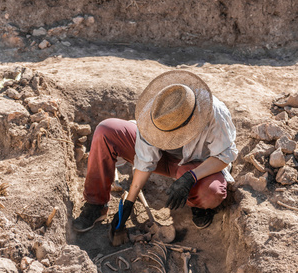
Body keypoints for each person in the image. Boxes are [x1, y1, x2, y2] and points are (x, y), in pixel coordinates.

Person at [73, 70, 238, 234]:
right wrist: (129, 204)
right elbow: (145, 161)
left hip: (199, 164)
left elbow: (224, 156)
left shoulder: (214, 113)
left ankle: (198, 204)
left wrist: (190, 177)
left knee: (211, 193)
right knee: (105, 131)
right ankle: (96, 204)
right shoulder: (158, 111)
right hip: (164, 159)